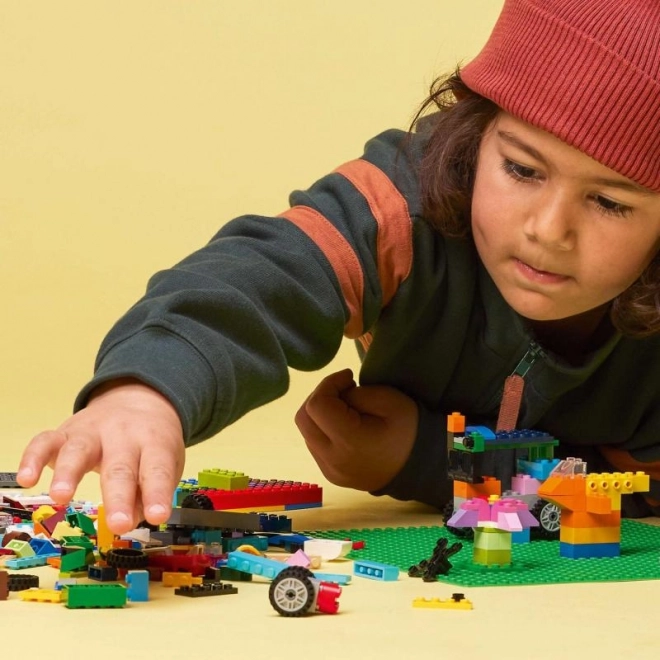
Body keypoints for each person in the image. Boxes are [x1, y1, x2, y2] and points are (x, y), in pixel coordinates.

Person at [18, 0, 660, 534]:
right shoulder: (402, 206)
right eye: (521, 168)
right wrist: (146, 390)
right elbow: (263, 277)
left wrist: (425, 461)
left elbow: (638, 496)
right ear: (474, 130)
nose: (547, 230)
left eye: (609, 202)